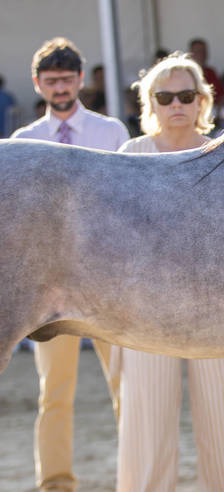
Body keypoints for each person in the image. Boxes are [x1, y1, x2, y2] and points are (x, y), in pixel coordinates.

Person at [115, 53, 224, 492]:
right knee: (146, 424)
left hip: (219, 304)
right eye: (165, 96)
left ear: (202, 101)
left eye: (186, 95)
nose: (177, 103)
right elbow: (114, 234)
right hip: (146, 308)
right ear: (150, 103)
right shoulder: (131, 154)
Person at [12, 37, 129, 492]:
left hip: (107, 281)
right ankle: (55, 482)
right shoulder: (22, 143)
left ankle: (134, 474)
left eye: (66, 79)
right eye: (51, 80)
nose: (59, 87)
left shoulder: (112, 133)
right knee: (53, 392)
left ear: (81, 80)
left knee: (125, 385)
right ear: (38, 84)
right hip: (48, 288)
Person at [188, 38, 224, 107]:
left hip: (211, 109)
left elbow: (222, 96)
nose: (201, 55)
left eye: (203, 51)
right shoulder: (184, 73)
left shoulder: (211, 72)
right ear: (191, 54)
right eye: (198, 51)